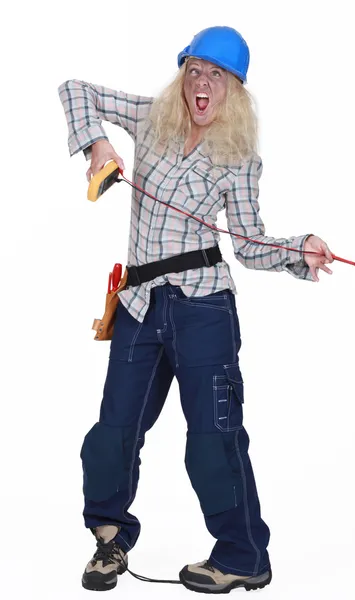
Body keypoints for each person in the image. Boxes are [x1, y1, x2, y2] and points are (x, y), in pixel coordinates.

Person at [58, 25, 333, 595]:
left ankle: (242, 555)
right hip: (138, 304)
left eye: (217, 76)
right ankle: (109, 541)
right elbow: (74, 88)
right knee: (114, 430)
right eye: (195, 71)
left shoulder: (239, 159)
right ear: (183, 75)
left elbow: (252, 245)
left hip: (204, 309)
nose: (202, 83)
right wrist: (98, 145)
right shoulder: (152, 119)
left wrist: (300, 250)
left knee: (215, 435)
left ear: (235, 90)